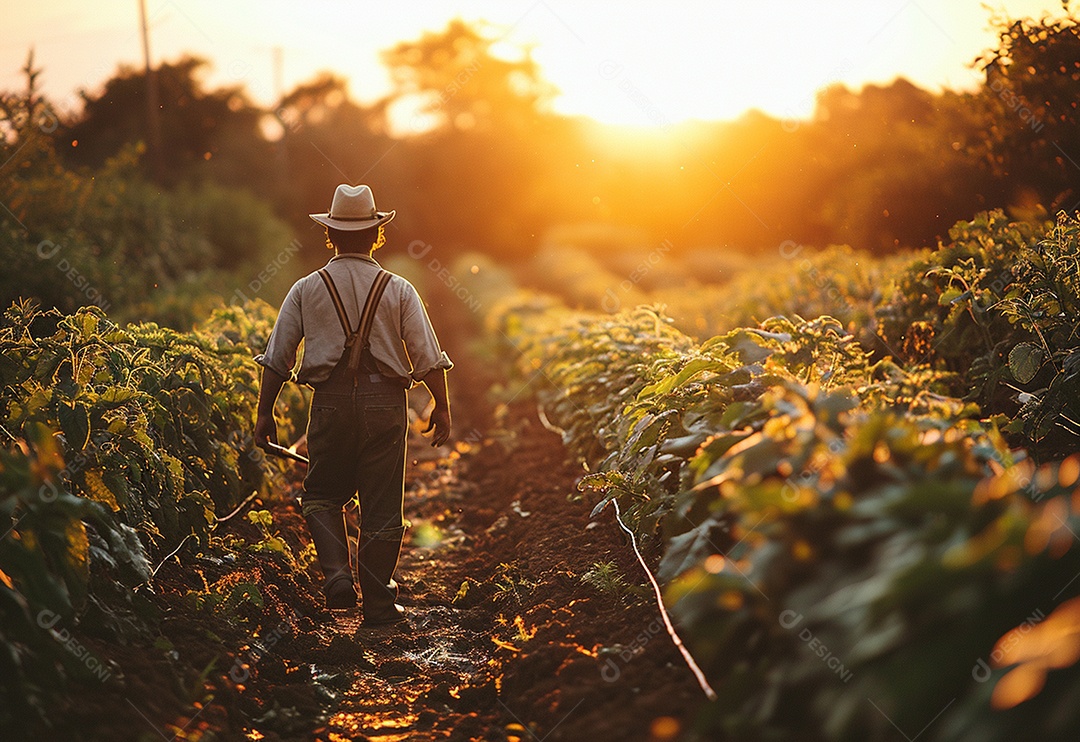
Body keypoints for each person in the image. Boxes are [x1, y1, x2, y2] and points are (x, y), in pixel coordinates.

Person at [253, 183, 452, 627]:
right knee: (382, 507)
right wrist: (442, 406)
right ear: (377, 235)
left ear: (331, 236)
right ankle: (379, 607)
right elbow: (426, 353)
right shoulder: (398, 288)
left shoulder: (306, 288)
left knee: (322, 495)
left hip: (330, 404)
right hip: (386, 404)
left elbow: (278, 356)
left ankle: (337, 577)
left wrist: (264, 412)